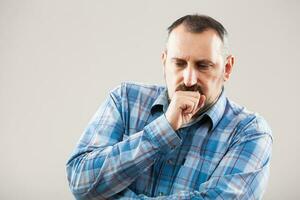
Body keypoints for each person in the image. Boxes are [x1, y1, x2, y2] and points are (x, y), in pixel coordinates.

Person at [66, 14, 272, 200]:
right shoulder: (125, 100)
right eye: (179, 63)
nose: (189, 79)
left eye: (203, 65)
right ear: (164, 62)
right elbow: (80, 182)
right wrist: (163, 128)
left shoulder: (250, 132)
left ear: (227, 68)